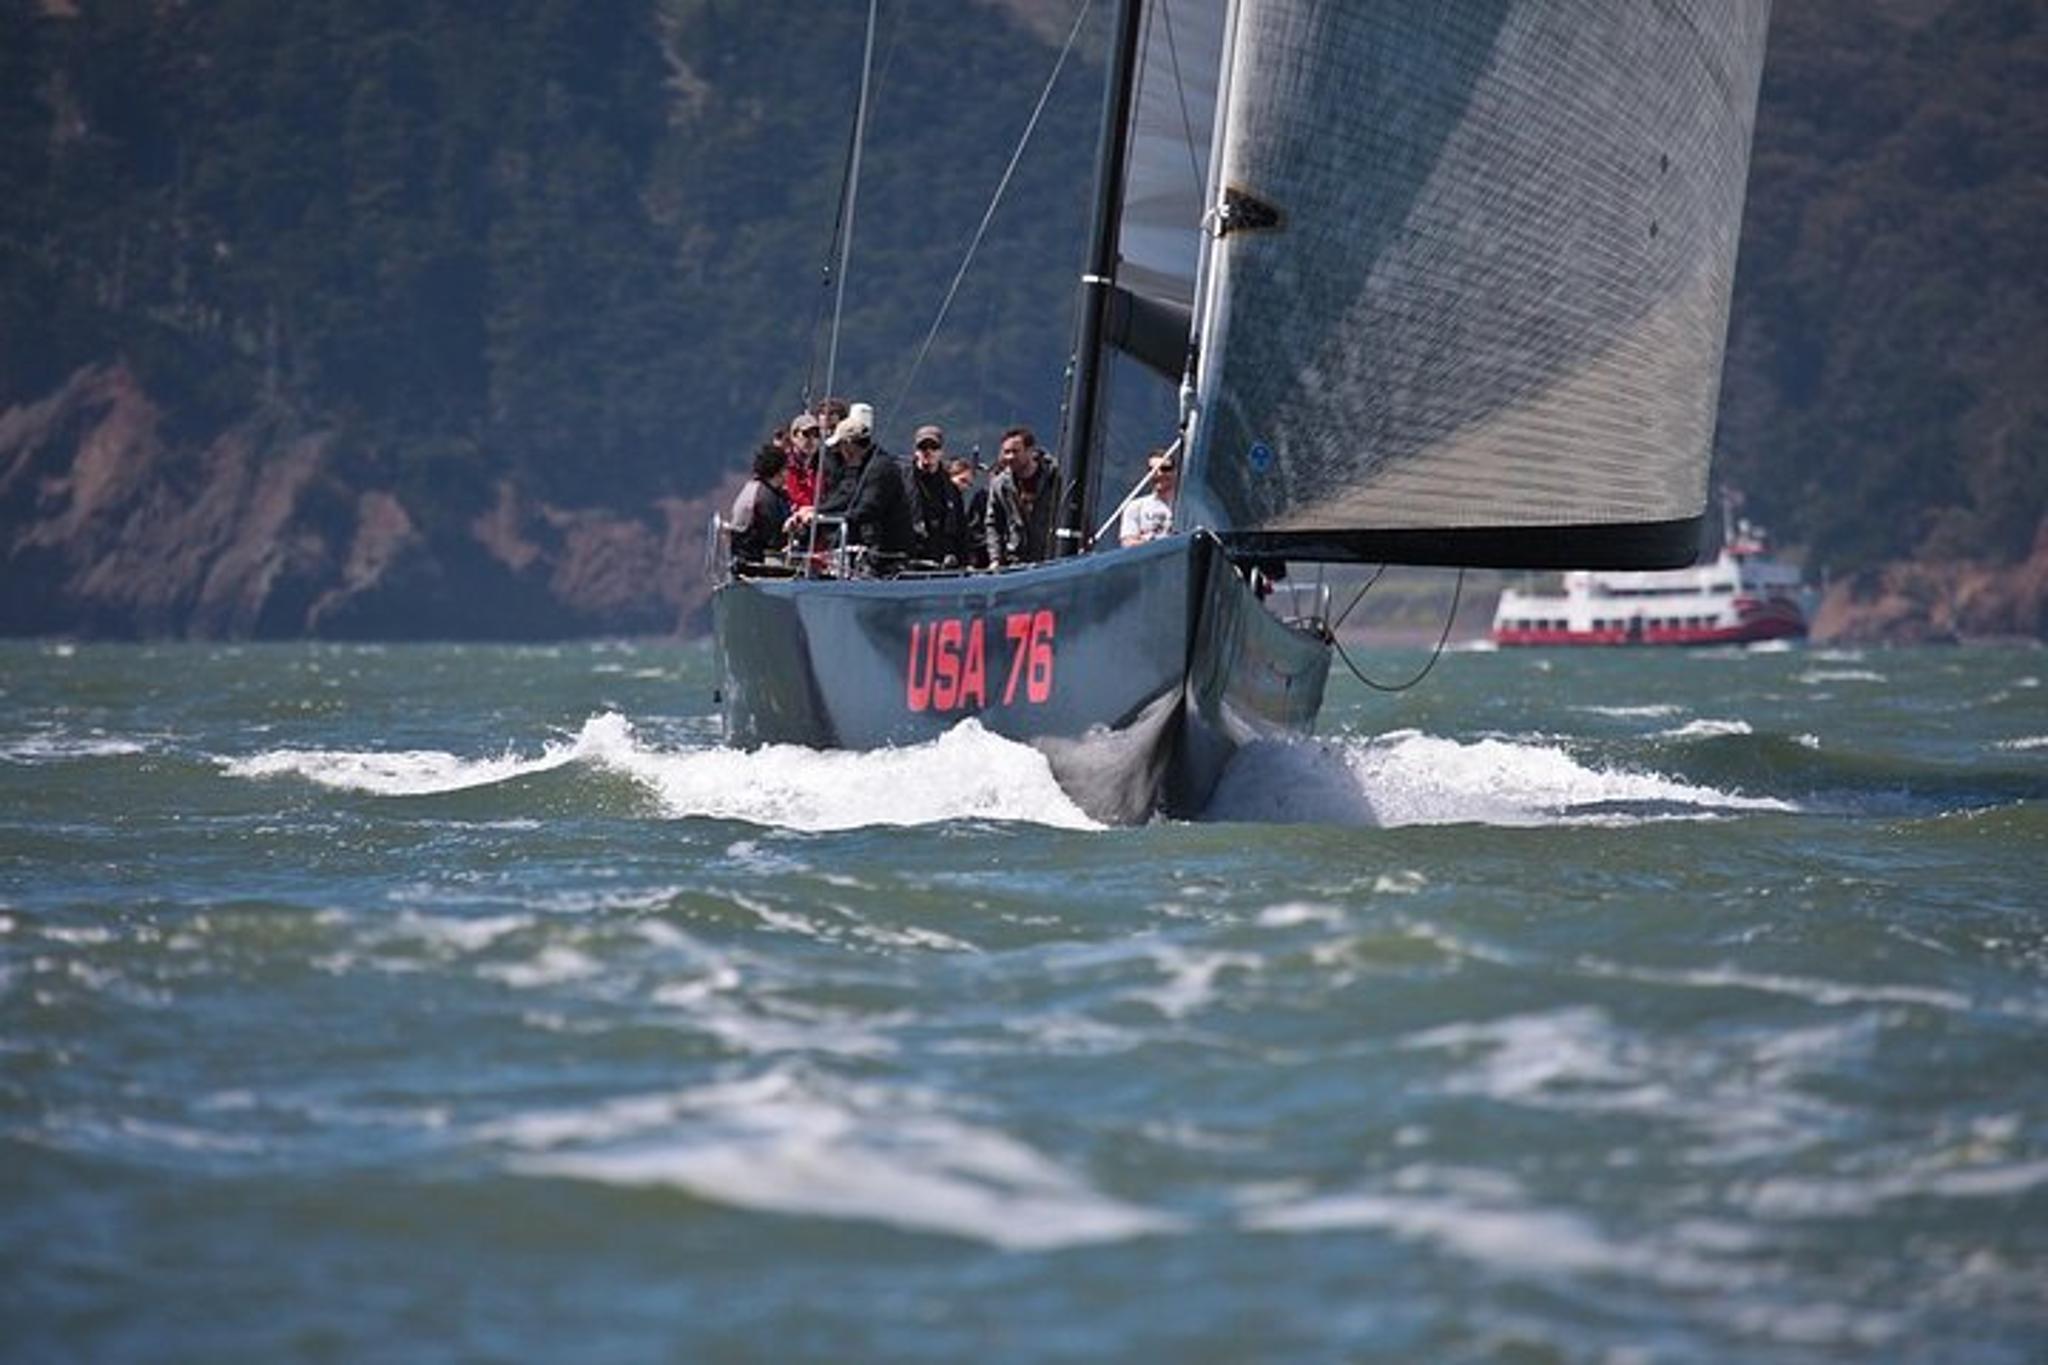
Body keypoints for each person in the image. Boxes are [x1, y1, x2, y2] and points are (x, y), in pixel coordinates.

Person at [795, 402, 914, 571]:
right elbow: (845, 494)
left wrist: (824, 519)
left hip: (888, 553)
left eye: (840, 445)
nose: (838, 451)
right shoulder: (857, 465)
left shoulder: (881, 468)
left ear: (849, 444)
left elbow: (868, 508)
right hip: (867, 551)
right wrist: (817, 511)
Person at [984, 426, 1063, 567]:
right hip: (1017, 562)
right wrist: (995, 559)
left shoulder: (1056, 478)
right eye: (1006, 452)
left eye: (1015, 452)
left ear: (1030, 451)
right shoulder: (1000, 485)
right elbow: (993, 524)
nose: (1010, 457)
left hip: (1052, 560)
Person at [905, 424, 969, 568]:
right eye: (923, 448)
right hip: (912, 561)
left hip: (943, 563)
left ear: (941, 452)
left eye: (934, 447)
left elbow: (962, 529)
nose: (928, 452)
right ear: (916, 452)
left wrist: (964, 564)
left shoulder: (951, 489)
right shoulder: (903, 483)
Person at [728, 443, 792, 567]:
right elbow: (774, 539)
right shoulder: (765, 498)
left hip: (741, 557)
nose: (788, 473)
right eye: (786, 468)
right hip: (754, 561)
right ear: (778, 471)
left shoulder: (754, 487)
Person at [1119, 447, 1178, 546]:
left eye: (1165, 469)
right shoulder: (1135, 507)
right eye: (1153, 470)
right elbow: (1128, 543)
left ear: (1175, 471)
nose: (1159, 474)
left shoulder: (1191, 507)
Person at [783, 412, 823, 510]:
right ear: (793, 436)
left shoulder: (823, 464)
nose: (812, 440)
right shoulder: (786, 464)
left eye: (816, 435)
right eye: (806, 434)